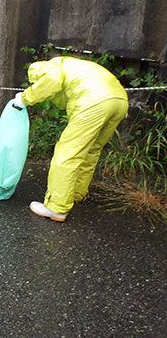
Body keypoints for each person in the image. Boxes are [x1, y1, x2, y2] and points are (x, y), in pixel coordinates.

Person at [13, 56, 129, 222]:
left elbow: (51, 80)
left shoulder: (49, 67)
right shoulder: (73, 65)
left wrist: (25, 98)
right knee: (91, 150)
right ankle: (76, 193)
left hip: (94, 101)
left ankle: (56, 208)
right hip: (119, 101)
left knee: (68, 152)